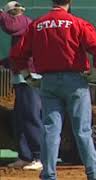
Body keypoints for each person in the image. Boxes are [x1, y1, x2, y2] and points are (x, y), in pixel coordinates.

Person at [9, 0, 96, 179]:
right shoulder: (78, 23)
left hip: (48, 82)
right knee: (82, 130)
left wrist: (27, 76)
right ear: (69, 2)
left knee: (50, 129)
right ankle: (94, 174)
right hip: (75, 82)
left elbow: (17, 54)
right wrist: (94, 73)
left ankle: (48, 174)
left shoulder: (37, 24)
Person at [0, 1, 43, 170]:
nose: (15, 14)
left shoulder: (23, 21)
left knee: (31, 116)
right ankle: (25, 156)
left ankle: (39, 157)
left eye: (16, 11)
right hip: (20, 79)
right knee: (20, 118)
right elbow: (17, 53)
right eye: (13, 11)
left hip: (30, 78)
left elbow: (11, 26)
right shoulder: (21, 28)